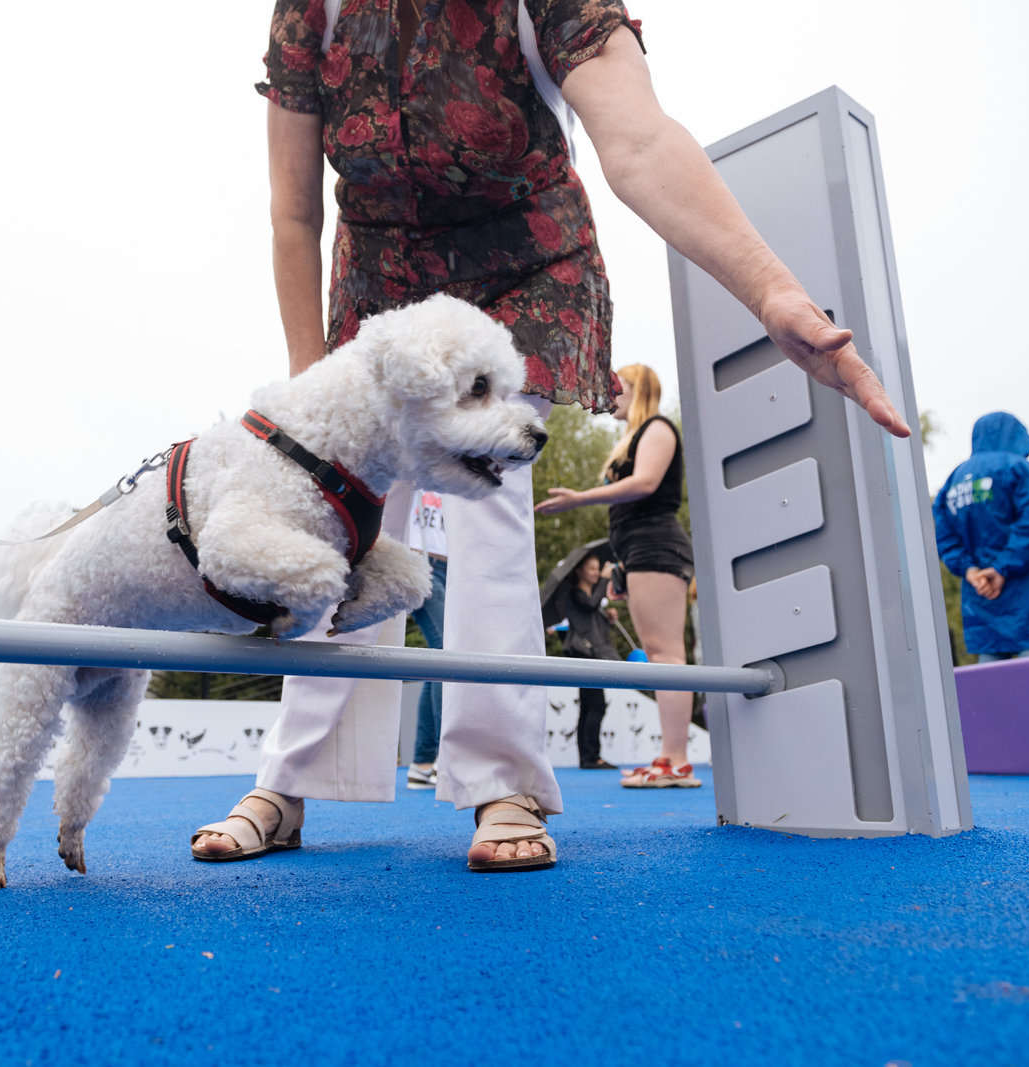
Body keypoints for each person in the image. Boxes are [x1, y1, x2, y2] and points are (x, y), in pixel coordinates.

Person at [191, 0, 909, 873]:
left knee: (487, 502)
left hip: (521, 261)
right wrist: (311, 401)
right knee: (344, 507)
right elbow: (295, 213)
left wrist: (769, 293)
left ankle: (503, 777)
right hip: (380, 272)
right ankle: (289, 777)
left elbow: (639, 143)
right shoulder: (314, 9)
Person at [537, 363, 699, 787]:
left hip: (656, 548)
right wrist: (623, 569)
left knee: (666, 657)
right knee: (661, 655)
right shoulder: (638, 435)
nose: (609, 394)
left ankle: (675, 760)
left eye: (617, 387)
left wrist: (579, 500)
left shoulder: (658, 428)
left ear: (638, 389)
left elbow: (645, 485)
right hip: (640, 552)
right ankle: (671, 758)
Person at [932, 412, 1029, 662]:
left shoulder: (955, 479)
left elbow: (942, 532)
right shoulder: (1021, 469)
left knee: (992, 687)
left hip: (982, 599)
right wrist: (1000, 569)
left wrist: (970, 571)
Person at [559, 551, 620, 770]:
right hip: (584, 654)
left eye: (597, 569)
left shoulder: (588, 597)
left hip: (589, 654)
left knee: (589, 705)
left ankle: (588, 755)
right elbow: (591, 605)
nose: (596, 572)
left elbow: (592, 616)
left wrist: (608, 618)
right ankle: (591, 755)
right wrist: (605, 579)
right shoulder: (577, 594)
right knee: (596, 705)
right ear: (579, 571)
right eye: (592, 568)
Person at [405, 489, 448, 789]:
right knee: (448, 650)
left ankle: (423, 762)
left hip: (453, 565)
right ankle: (449, 756)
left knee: (439, 658)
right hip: (419, 560)